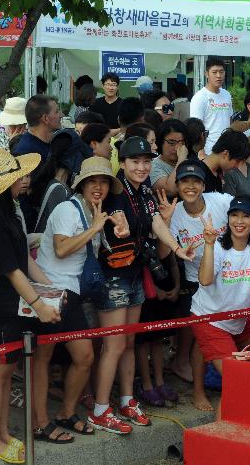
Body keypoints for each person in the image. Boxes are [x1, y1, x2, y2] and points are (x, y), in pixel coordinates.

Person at [88, 137, 198, 434]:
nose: (141, 167)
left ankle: (126, 399)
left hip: (136, 274)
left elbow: (156, 224)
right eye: (134, 161)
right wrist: (123, 228)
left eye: (146, 161)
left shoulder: (147, 191)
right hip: (113, 276)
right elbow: (119, 224)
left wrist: (177, 249)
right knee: (112, 345)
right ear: (122, 163)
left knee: (127, 342)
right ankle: (100, 408)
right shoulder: (114, 192)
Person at [0, 149, 60, 461]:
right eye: (18, 176)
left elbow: (23, 263)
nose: (24, 180)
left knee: (5, 372)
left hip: (12, 306)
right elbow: (12, 270)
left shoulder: (7, 212)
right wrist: (40, 304)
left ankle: (2, 433)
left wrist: (48, 290)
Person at [34, 157, 126, 443]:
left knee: (85, 357)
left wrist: (116, 228)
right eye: (92, 182)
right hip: (49, 291)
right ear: (82, 184)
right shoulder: (67, 208)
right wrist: (95, 229)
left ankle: (66, 412)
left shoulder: (94, 211)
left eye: (103, 182)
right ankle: (40, 423)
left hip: (72, 293)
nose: (98, 187)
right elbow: (61, 249)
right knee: (43, 358)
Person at [194, 196, 250, 418]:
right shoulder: (217, 246)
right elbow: (205, 280)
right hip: (210, 319)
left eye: (246, 216)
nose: (239, 221)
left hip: (241, 320)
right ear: (228, 218)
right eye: (235, 215)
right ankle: (220, 434)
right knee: (237, 377)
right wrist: (207, 244)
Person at [167, 160, 234, 410]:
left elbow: (248, 212)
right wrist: (164, 223)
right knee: (201, 340)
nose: (191, 186)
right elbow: (166, 251)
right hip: (199, 284)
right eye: (185, 181)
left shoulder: (221, 201)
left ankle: (225, 385)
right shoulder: (174, 215)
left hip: (229, 278)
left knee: (228, 330)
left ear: (204, 185)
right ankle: (198, 392)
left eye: (196, 181)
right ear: (178, 185)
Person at [190, 58, 233, 155]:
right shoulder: (200, 97)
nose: (218, 76)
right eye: (214, 72)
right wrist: (201, 153)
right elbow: (195, 128)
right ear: (206, 74)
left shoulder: (227, 94)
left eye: (221, 72)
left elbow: (230, 121)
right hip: (209, 151)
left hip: (227, 150)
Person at [12, 95, 63, 164]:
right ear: (45, 118)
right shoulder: (27, 153)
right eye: (56, 112)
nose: (61, 115)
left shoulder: (51, 143)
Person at [199, 129, 250, 193]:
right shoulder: (199, 174)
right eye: (237, 161)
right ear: (226, 154)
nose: (237, 166)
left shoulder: (217, 174)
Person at [150, 119, 190, 197]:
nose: (177, 148)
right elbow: (170, 191)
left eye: (181, 142)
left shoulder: (189, 163)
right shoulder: (153, 166)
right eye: (171, 143)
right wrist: (181, 160)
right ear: (160, 142)